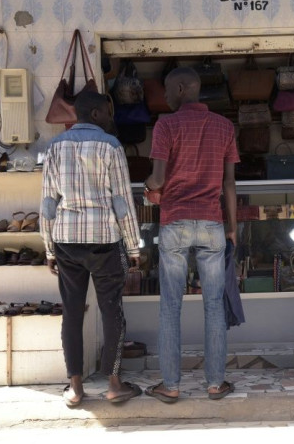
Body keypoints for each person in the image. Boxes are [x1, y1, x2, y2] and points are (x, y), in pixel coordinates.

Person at [40, 90, 143, 407]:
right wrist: (133, 247)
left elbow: (47, 203)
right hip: (105, 241)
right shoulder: (111, 146)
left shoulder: (55, 146)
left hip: (67, 241)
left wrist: (48, 248)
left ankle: (75, 388)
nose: (111, 117)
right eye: (108, 111)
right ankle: (113, 384)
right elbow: (122, 203)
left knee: (72, 313)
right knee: (112, 310)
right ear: (96, 114)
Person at [144, 66, 239, 403]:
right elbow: (229, 183)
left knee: (171, 307)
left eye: (168, 91)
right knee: (214, 306)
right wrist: (232, 227)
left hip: (175, 222)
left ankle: (170, 385)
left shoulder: (166, 125)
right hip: (213, 222)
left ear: (182, 88)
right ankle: (216, 384)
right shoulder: (224, 127)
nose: (165, 97)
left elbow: (157, 178)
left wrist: (148, 189)